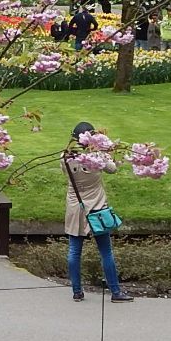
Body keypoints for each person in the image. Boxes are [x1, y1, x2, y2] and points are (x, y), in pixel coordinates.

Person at [62, 122, 133, 303]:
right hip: (97, 208)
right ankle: (115, 292)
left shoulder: (65, 158)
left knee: (74, 251)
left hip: (75, 206)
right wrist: (108, 151)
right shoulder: (98, 157)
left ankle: (77, 292)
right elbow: (113, 169)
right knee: (106, 252)